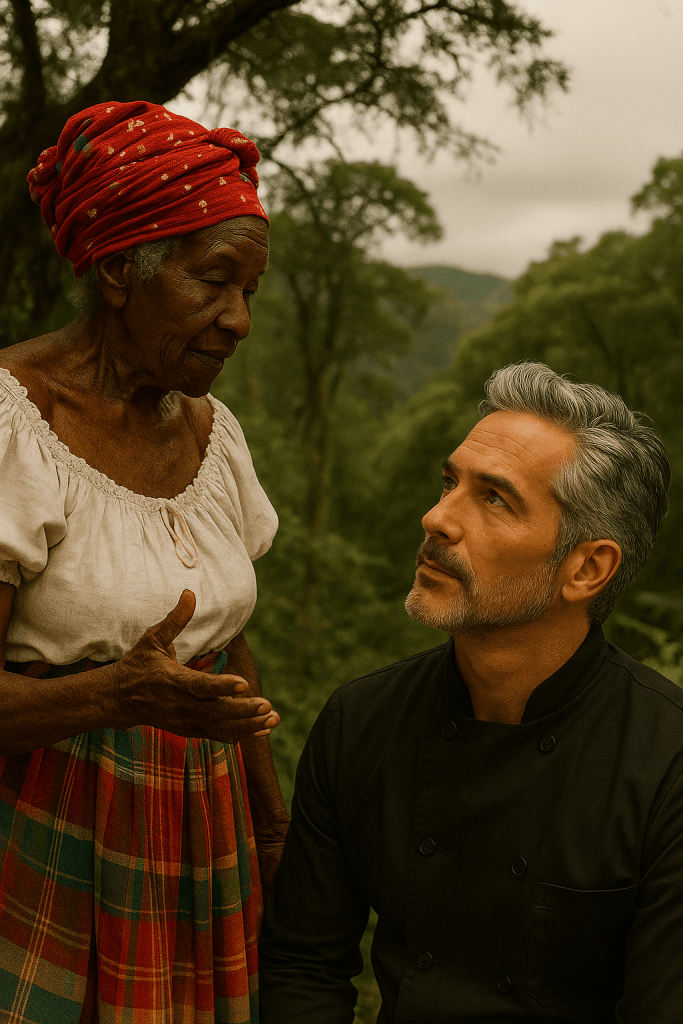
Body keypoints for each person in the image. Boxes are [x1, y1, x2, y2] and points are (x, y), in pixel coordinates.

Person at [258, 361, 681, 1023]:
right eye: (448, 483)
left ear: (586, 568)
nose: (435, 518)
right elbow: (303, 967)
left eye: (493, 498)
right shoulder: (361, 722)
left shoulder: (667, 761)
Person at [0, 100, 290, 1023]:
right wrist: (115, 698)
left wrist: (273, 830)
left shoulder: (212, 432)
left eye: (249, 291)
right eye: (213, 283)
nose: (237, 321)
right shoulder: (18, 426)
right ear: (122, 268)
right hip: (49, 824)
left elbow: (228, 648)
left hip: (204, 835)